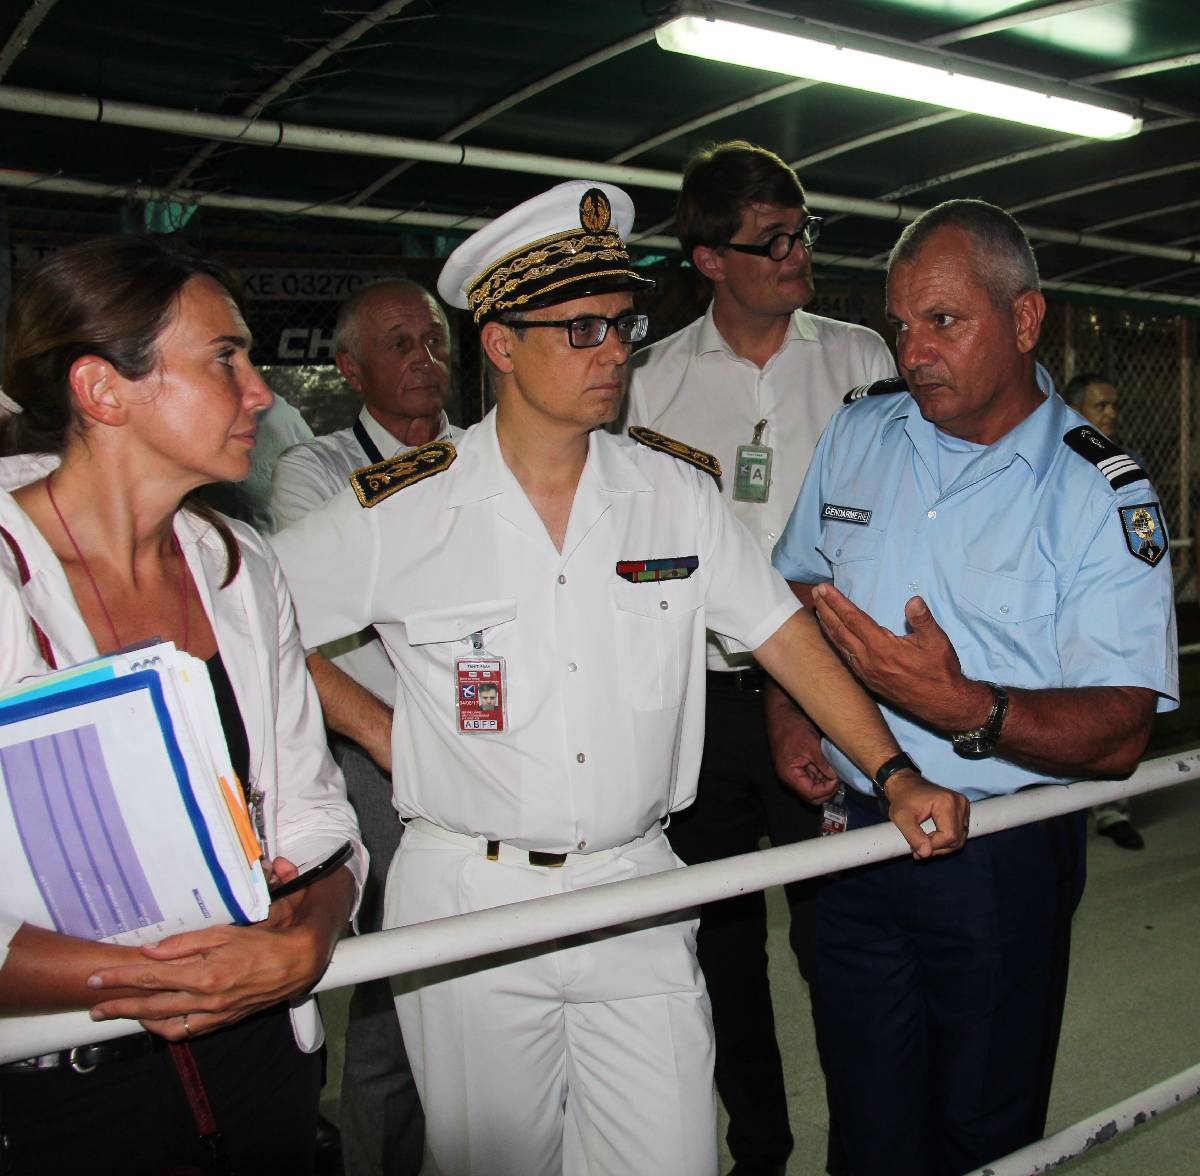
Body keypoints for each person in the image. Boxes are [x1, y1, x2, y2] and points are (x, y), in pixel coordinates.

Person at [270, 179, 967, 1176]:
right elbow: (254, 620)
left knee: (671, 1155)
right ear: (502, 344)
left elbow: (785, 638)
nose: (613, 351)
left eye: (625, 324)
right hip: (473, 897)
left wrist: (894, 775)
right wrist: (381, 730)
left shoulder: (672, 495)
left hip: (634, 883)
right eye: (583, 326)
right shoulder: (402, 510)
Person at [771, 199, 1178, 1176]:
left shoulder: (1097, 491)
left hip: (998, 855)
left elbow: (1121, 728)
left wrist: (969, 709)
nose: (913, 351)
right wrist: (791, 713)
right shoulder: (864, 432)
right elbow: (792, 586)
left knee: (982, 1132)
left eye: (943, 321)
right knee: (867, 1124)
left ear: (1024, 320)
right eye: (901, 324)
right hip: (853, 837)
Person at [0, 235, 365, 1176]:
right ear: (103, 390)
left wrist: (309, 939)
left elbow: (315, 810)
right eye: (224, 357)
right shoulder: (8, 582)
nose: (263, 392)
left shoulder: (239, 571)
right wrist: (172, 972)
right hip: (62, 1084)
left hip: (260, 1063)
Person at [624, 139, 895, 1176]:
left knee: (839, 941)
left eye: (802, 231)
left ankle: (864, 1147)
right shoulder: (650, 381)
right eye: (770, 239)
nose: (796, 252)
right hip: (701, 703)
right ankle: (761, 1152)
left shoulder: (859, 358)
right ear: (708, 259)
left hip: (827, 691)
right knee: (718, 945)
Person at [270, 277, 462, 1176]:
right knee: (393, 993)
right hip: (375, 760)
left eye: (433, 340)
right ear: (348, 368)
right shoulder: (312, 468)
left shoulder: (486, 450)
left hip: (491, 745)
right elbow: (349, 590)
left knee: (489, 979)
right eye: (399, 344)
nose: (425, 360)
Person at [1062, 371, 1150, 849]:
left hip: (1112, 605)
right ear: (1077, 410)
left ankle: (1113, 810)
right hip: (1061, 608)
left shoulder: (1125, 465)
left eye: (1114, 405)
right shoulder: (1051, 458)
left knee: (1112, 706)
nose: (1112, 414)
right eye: (1102, 406)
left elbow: (1142, 537)